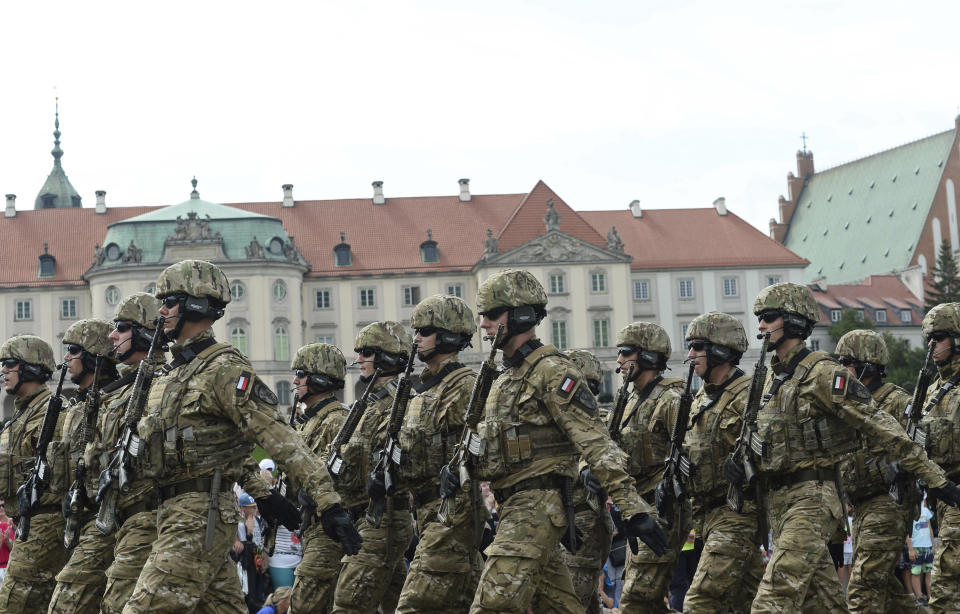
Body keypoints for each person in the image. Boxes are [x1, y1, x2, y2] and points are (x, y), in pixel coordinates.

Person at [121, 260, 360, 613]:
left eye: (170, 301)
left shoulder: (224, 369)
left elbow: (280, 438)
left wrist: (329, 502)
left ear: (196, 305)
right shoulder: (173, 373)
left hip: (199, 515)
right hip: (171, 511)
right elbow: (217, 449)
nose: (162, 311)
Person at [439, 268, 668, 613]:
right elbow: (493, 442)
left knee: (493, 604)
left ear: (520, 315)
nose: (482, 323)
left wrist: (633, 508)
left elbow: (596, 443)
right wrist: (461, 466)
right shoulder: (505, 378)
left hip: (536, 507)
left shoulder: (552, 371)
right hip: (514, 504)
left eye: (491, 314)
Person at [723, 282, 960, 613]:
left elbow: (887, 429)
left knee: (773, 601)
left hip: (812, 500)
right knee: (826, 603)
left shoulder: (823, 373)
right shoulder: (770, 380)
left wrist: (937, 480)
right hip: (782, 503)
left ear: (791, 320)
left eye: (769, 317)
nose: (760, 325)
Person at [390, 295, 484, 614]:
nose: (415, 339)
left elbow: (485, 446)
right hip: (428, 510)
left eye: (424, 331)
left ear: (447, 335)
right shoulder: (426, 389)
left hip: (452, 511)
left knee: (413, 605)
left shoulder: (466, 386)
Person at [680, 311, 763, 613]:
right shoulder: (700, 397)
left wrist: (748, 465)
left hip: (738, 512)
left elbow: (775, 451)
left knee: (701, 601)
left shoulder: (750, 394)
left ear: (720, 351)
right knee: (749, 601)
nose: (690, 354)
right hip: (705, 515)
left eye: (697, 347)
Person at [330, 321, 415, 614]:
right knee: (399, 602)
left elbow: (410, 454)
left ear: (388, 357)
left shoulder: (402, 403)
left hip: (384, 515)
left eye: (367, 353)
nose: (360, 360)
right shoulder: (367, 406)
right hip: (363, 514)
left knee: (348, 602)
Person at [834, 329, 921, 612]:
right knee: (888, 593)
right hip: (859, 506)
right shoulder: (848, 404)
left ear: (867, 364)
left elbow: (919, 442)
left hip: (888, 502)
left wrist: (899, 464)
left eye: (846, 362)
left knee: (862, 586)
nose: (841, 369)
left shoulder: (895, 400)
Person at [608, 320, 690, 613]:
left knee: (636, 600)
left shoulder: (671, 398)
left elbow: (692, 455)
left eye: (626, 352)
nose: (619, 360)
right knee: (646, 600)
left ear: (648, 357)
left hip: (664, 509)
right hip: (637, 509)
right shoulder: (628, 400)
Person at [48, 318, 124, 614]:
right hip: (79, 516)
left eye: (74, 351)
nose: (66, 358)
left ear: (94, 356)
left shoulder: (115, 400)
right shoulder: (78, 405)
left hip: (108, 518)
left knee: (67, 603)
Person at [0, 334, 64, 612]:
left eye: (10, 363)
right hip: (24, 522)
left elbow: (61, 470)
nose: (3, 370)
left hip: (47, 521)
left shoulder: (54, 412)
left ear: (32, 368)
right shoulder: (19, 417)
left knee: (12, 604)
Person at [287, 343, 349, 613]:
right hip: (313, 527)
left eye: (301, 374)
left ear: (320, 378)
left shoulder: (336, 420)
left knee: (303, 605)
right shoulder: (311, 420)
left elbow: (336, 474)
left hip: (328, 529)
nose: (295, 381)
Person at [563, 348, 615, 614]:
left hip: (583, 524)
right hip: (565, 524)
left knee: (574, 602)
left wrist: (585, 466)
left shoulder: (601, 420)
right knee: (585, 602)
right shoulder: (559, 421)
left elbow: (598, 448)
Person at [917, 302, 960, 612]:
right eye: (929, 338)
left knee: (944, 587)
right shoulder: (933, 389)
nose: (932, 345)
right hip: (941, 497)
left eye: (940, 337)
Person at [233, 492, 269, 614]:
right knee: (248, 596)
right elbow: (240, 547)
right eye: (251, 507)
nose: (255, 509)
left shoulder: (256, 520)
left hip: (256, 562)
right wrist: (248, 532)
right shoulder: (238, 523)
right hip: (245, 565)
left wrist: (262, 558)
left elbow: (259, 543)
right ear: (242, 508)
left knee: (258, 594)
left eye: (255, 506)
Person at [908, 497, 934, 606]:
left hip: (927, 546)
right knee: (916, 572)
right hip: (916, 546)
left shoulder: (926, 511)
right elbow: (906, 532)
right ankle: (919, 596)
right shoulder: (909, 512)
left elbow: (930, 528)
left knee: (929, 572)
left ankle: (930, 596)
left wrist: (933, 545)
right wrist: (911, 549)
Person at [0, 500, 12, 586]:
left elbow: (14, 550)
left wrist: (7, 540)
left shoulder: (6, 525)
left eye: (3, 505)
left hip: (9, 568)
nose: (1, 508)